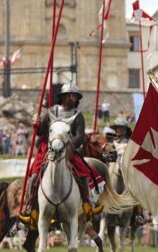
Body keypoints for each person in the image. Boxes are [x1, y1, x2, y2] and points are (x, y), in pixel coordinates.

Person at [23, 82, 104, 222]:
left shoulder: (78, 115)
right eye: (69, 95)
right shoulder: (52, 111)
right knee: (34, 176)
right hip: (48, 149)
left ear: (77, 98)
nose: (71, 98)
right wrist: (36, 123)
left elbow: (79, 136)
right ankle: (31, 207)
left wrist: (67, 144)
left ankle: (87, 204)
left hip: (69, 150)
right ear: (63, 97)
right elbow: (41, 131)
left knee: (83, 173)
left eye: (74, 96)